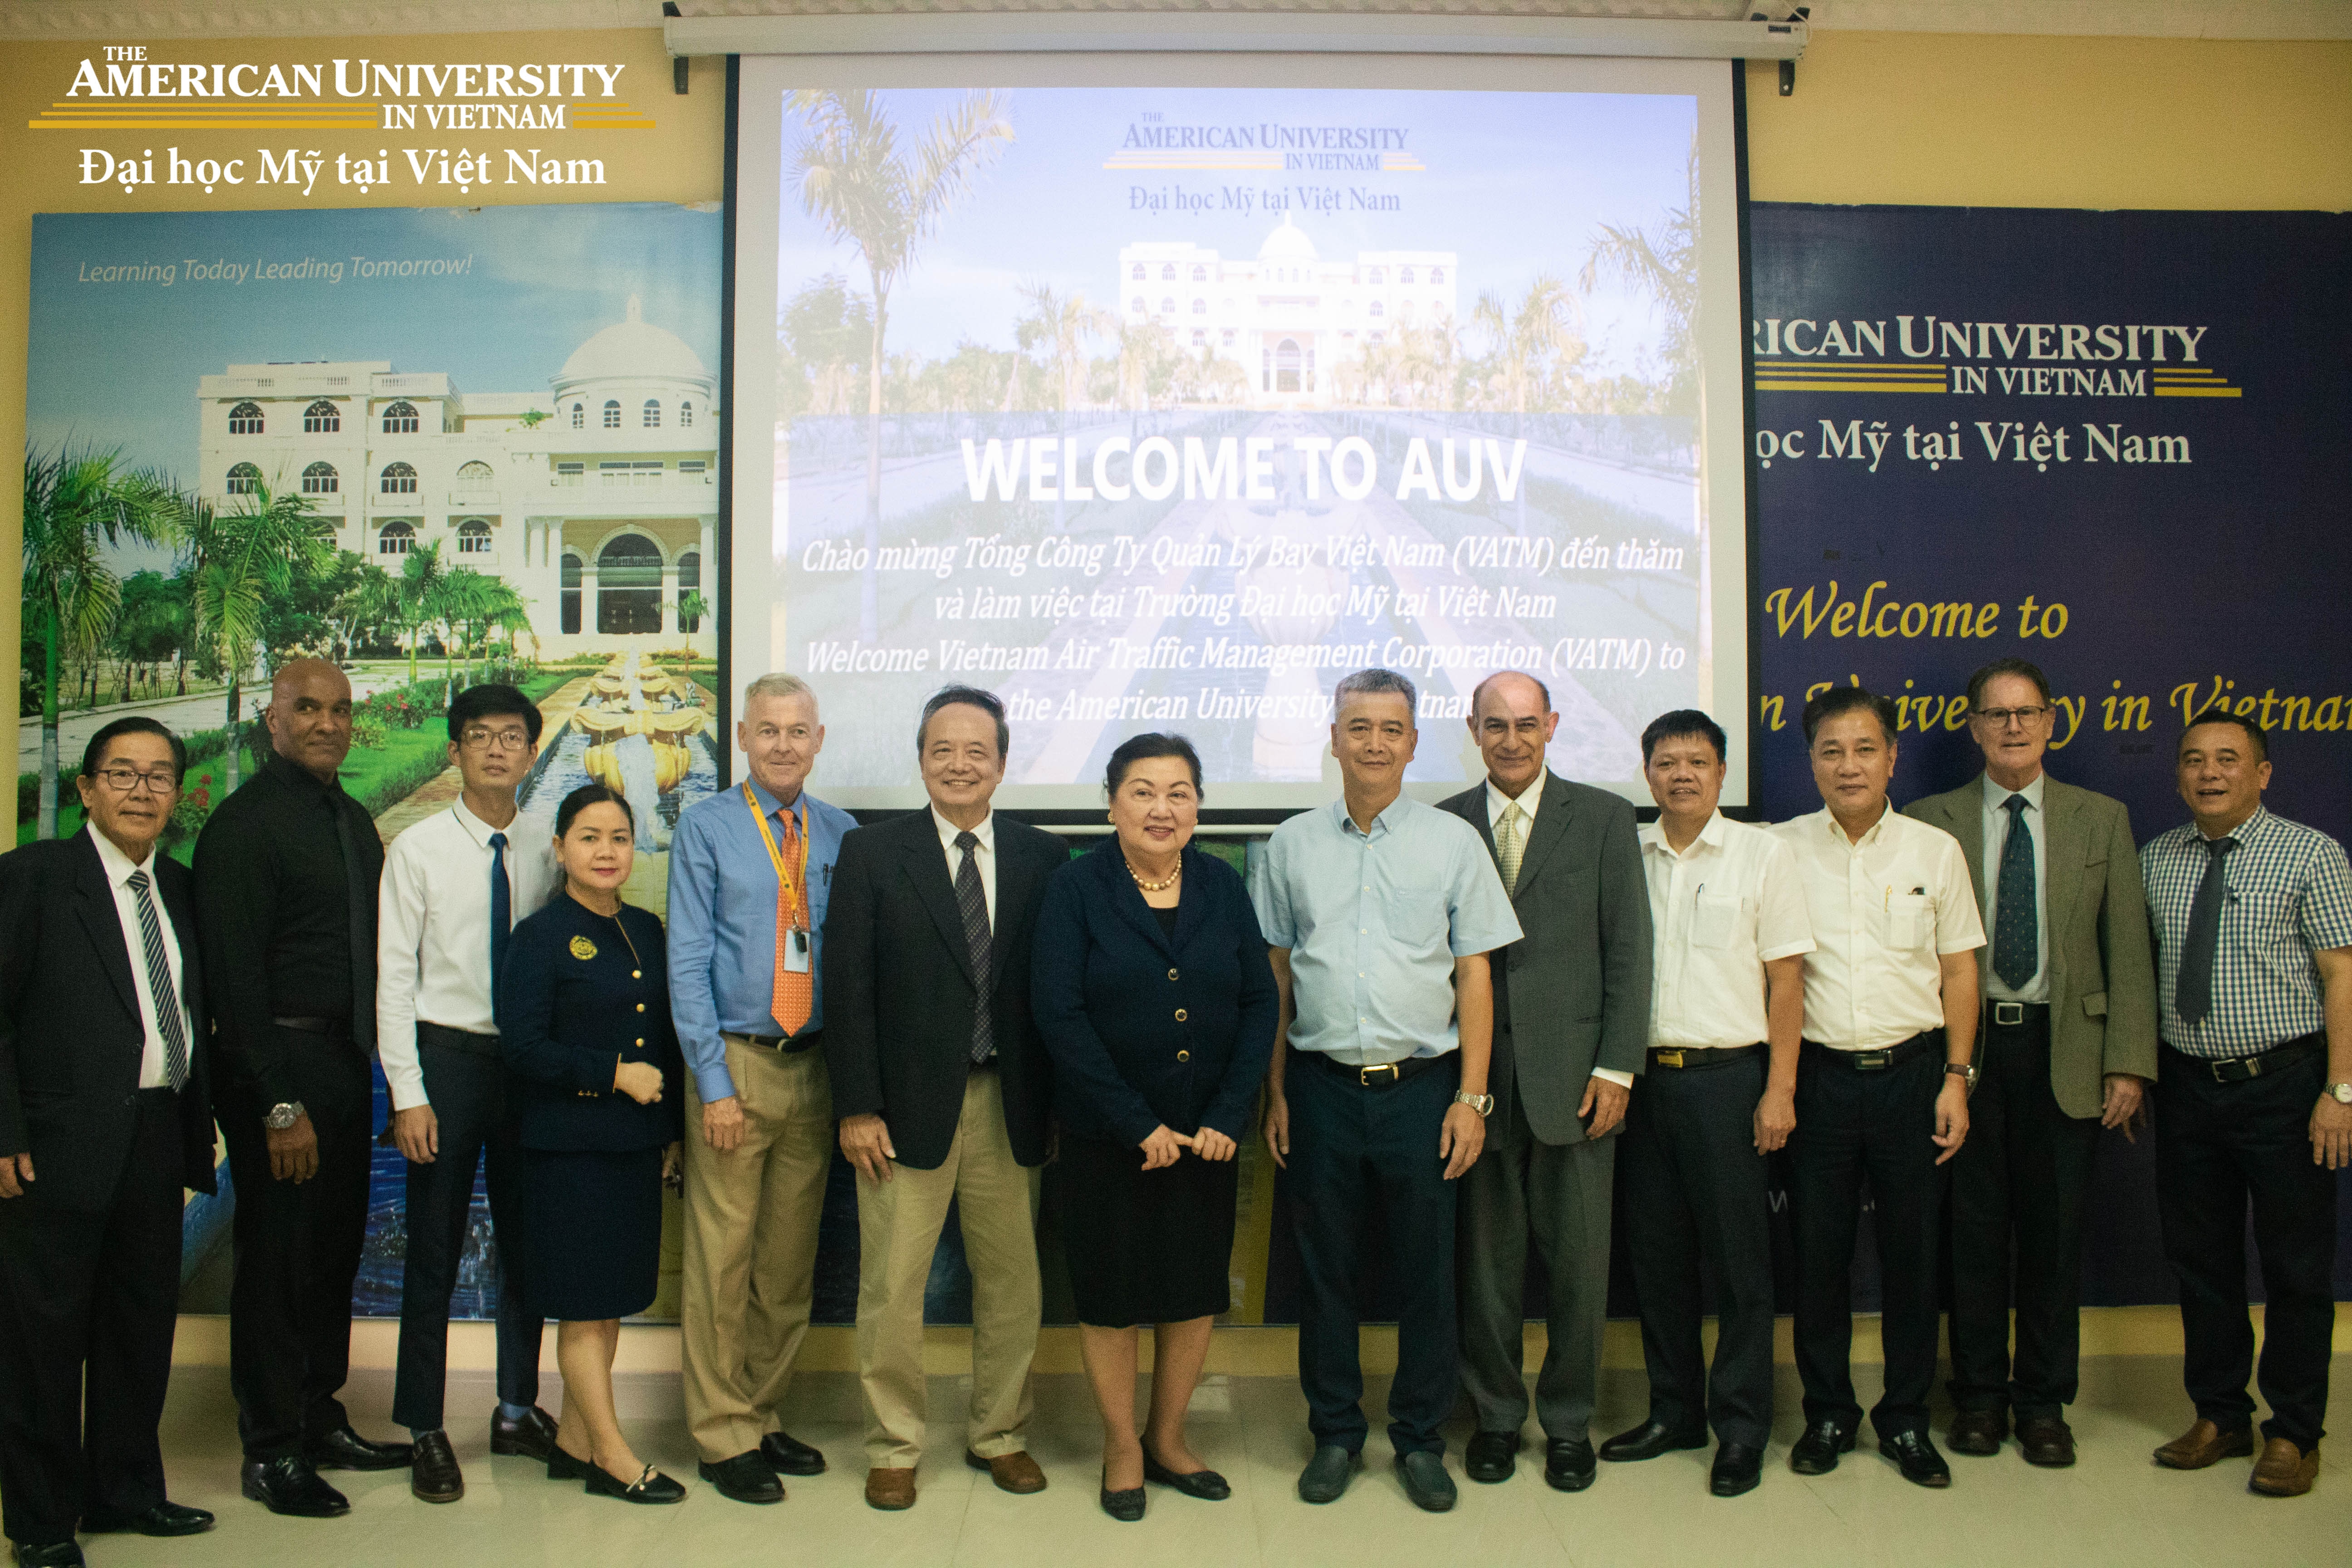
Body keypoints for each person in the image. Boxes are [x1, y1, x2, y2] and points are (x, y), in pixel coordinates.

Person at [1257, 668, 1521, 1514]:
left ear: (1414, 742)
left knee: (1426, 1274)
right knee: (1324, 1271)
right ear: (1333, 739)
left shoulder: (1452, 844)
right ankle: (1334, 1433)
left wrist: (1472, 1098)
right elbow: (1275, 980)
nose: (1375, 742)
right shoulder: (1290, 845)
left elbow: (1476, 975)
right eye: (1358, 726)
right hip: (1319, 1087)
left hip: (1424, 1089)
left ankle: (1417, 1437)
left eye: (1392, 728)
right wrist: (1275, 1094)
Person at [1904, 658, 2157, 1468]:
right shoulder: (1929, 817)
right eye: (1995, 714)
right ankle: (1977, 1399)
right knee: (1972, 1235)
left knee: (2053, 1238)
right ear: (1973, 727)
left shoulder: (2100, 818)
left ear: (2052, 723)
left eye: (2027, 713)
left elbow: (2128, 949)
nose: (2012, 727)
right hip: (1966, 1050)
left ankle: (2044, 1403)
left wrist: (2128, 1064)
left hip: (2068, 1048)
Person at [823, 685, 1066, 1511]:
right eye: (942, 750)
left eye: (976, 751)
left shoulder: (1040, 856)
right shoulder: (872, 854)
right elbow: (847, 988)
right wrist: (856, 1105)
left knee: (1012, 1284)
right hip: (899, 1111)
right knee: (894, 1288)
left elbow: (1053, 992)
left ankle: (1001, 1433)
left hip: (1011, 1103)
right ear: (920, 758)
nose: (959, 765)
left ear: (1001, 762)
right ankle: (894, 1444)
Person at [1032, 733, 1279, 1522]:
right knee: (1110, 1298)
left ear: (1199, 806)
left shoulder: (1221, 885)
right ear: (1111, 804)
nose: (1161, 808)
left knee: (1190, 1291)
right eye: (1142, 791)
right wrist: (1138, 1123)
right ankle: (1122, 1448)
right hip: (1109, 1142)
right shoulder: (1076, 891)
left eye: (1178, 792)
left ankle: (1169, 1438)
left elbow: (1257, 1003)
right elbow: (1059, 1016)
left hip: (1206, 1141)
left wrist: (1225, 1116)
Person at [0, 720, 220, 1567]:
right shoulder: (34, 879)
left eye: (160, 776)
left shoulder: (183, 888)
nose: (141, 790)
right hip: (54, 1146)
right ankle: (43, 1523)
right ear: (87, 789)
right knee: (43, 1342)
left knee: (137, 1330)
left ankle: (125, 1491)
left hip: (158, 1132)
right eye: (122, 774)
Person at [195, 658, 412, 1517]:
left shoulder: (351, 820)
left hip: (341, 1067)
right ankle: (270, 1448)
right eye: (308, 708)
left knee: (332, 1258)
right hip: (278, 1075)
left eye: (341, 710)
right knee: (279, 1265)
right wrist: (278, 1105)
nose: (328, 723)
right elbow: (234, 987)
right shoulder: (244, 829)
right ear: (271, 719)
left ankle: (319, 1415)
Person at [1436, 671, 1651, 1494]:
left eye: (1528, 724)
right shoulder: (1444, 823)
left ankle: (1567, 1423)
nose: (1513, 740)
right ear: (1474, 730)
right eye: (1496, 726)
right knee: (1485, 1267)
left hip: (1577, 1082)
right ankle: (1495, 1416)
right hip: (1477, 1081)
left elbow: (1629, 949)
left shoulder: (1601, 818)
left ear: (1553, 725)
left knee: (1579, 1265)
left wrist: (1616, 1066)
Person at [1771, 685, 1981, 1489]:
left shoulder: (1934, 852)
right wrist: (1782, 1087)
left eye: (1865, 749)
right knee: (1818, 1260)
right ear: (1812, 762)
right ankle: (1827, 1413)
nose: (1849, 765)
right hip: (1818, 1081)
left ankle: (1903, 1419)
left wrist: (1957, 1078)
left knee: (1912, 1260)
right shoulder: (1780, 849)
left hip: (1913, 1078)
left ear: (1893, 757)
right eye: (1832, 750)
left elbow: (1960, 969)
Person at [2142, 710, 2352, 1499]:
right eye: (2194, 760)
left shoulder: (2311, 854)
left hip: (2288, 1088)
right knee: (2202, 1263)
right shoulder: (2157, 859)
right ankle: (2221, 1414)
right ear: (2179, 776)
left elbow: (2344, 977)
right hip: (2191, 1086)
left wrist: (2342, 1090)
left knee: (2297, 1267)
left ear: (2262, 774)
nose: (2210, 773)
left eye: (2229, 759)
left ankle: (2295, 1432)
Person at [1609, 709, 1810, 1499]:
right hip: (1643, 1084)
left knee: (1739, 1268)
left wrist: (1780, 1089)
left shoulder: (1764, 855)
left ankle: (1740, 1428)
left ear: (1723, 773)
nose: (1682, 774)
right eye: (1666, 762)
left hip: (1731, 1082)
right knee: (1656, 1262)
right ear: (1648, 773)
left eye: (1698, 761)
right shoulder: (1627, 856)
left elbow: (1787, 983)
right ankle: (1674, 1413)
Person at [666, 674, 856, 1504]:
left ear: (820, 740)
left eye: (798, 731)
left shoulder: (845, 835)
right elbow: (686, 962)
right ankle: (720, 1434)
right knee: (722, 1260)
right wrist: (711, 1083)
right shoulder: (707, 827)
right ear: (742, 737)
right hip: (735, 1064)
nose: (784, 744)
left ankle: (763, 1413)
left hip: (815, 1066)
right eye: (768, 730)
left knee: (786, 1263)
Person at [378, 684, 562, 1502]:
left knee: (529, 1243)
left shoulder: (549, 847)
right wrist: (409, 1095)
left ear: (533, 748)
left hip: (526, 1067)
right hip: (446, 1062)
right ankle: (423, 1426)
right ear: (453, 750)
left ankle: (517, 1409)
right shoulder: (417, 850)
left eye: (512, 736)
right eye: (479, 736)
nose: (496, 749)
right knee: (434, 1249)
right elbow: (394, 981)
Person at [495, 784, 687, 1504]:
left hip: (633, 1147)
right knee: (582, 1305)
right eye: (589, 837)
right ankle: (611, 1456)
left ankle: (575, 1443)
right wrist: (611, 1074)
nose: (606, 852)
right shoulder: (541, 937)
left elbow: (661, 1040)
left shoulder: (646, 928)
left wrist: (668, 1135)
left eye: (619, 838)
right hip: (566, 1149)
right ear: (560, 849)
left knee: (607, 1303)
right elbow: (522, 1048)